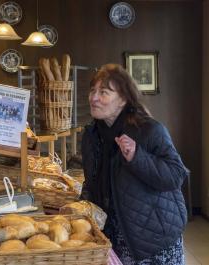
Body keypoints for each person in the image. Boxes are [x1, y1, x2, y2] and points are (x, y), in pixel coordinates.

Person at [80, 64, 188, 264]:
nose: (93, 98)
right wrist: (80, 207)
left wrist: (137, 157)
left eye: (103, 92)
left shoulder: (149, 130)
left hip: (153, 240)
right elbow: (92, 181)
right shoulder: (91, 135)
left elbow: (176, 175)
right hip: (114, 238)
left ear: (123, 99)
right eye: (93, 91)